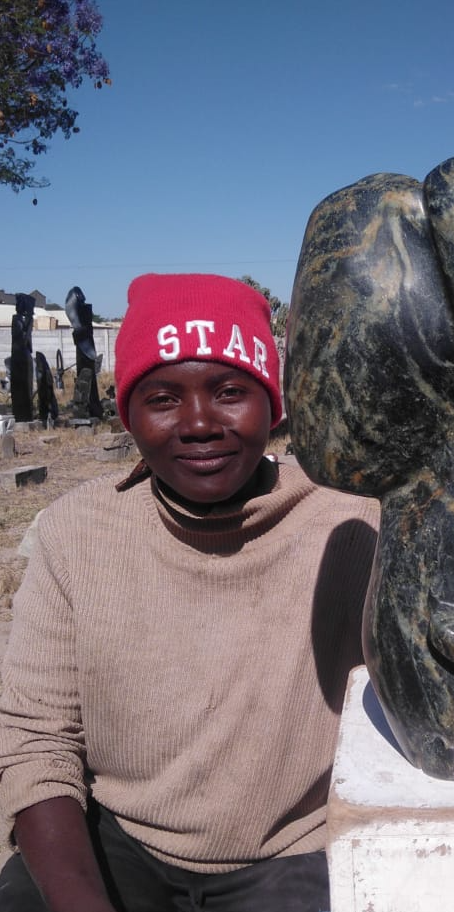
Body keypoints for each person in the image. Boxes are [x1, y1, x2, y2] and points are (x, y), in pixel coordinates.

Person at [0, 274, 379, 912]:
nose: (200, 424)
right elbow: (38, 739)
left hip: (290, 854)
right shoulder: (76, 533)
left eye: (231, 392)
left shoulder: (352, 525)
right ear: (129, 411)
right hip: (121, 840)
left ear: (271, 403)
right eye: (163, 398)